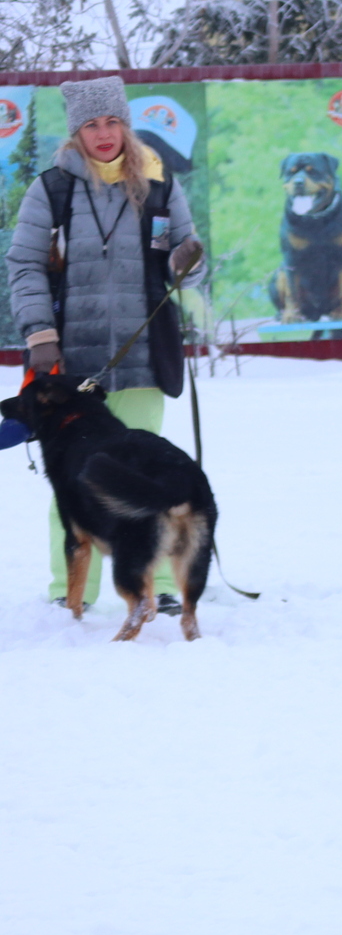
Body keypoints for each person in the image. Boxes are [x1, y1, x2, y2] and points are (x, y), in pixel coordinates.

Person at [5, 76, 204, 611]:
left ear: (125, 124)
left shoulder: (160, 188)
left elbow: (186, 268)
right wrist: (40, 335)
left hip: (141, 359)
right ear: (77, 132)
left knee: (143, 473)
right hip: (70, 364)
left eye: (112, 121)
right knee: (72, 478)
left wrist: (188, 264)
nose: (104, 133)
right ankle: (69, 592)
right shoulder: (52, 189)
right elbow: (23, 265)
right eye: (91, 124)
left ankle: (159, 586)